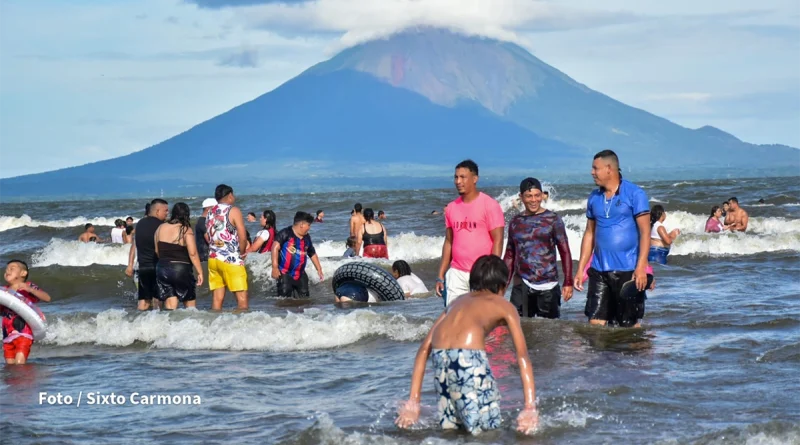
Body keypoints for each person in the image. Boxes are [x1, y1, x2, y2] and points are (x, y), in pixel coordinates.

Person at [395, 255, 538, 435]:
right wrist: (529, 407)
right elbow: (522, 356)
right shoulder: (504, 305)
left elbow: (424, 349)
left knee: (452, 431)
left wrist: (413, 402)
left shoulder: (456, 303)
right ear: (503, 286)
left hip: (440, 359)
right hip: (469, 359)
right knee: (488, 431)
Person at [574, 150, 651, 327]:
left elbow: (645, 233)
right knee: (595, 324)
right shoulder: (594, 197)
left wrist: (641, 268)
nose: (592, 172)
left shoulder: (635, 194)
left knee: (628, 326)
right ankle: (602, 356)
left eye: (595, 168)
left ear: (609, 169)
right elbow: (589, 234)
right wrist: (580, 269)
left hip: (628, 270)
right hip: (599, 270)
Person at [435, 160, 505, 306]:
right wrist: (440, 275)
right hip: (456, 273)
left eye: (463, 177)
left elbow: (498, 240)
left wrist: (492, 273)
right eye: (456, 177)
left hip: (482, 274)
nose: (458, 181)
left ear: (474, 179)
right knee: (454, 319)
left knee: (483, 318)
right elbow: (449, 241)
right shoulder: (451, 208)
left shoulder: (490, 205)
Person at [503, 177, 573, 319]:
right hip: (522, 284)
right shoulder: (515, 222)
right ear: (521, 197)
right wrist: (503, 283)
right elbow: (510, 255)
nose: (533, 200)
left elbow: (564, 251)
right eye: (529, 196)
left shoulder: (553, 219)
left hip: (548, 285)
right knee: (517, 325)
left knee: (549, 332)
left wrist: (568, 281)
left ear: (542, 196)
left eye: (537, 195)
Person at [206, 185, 249, 311]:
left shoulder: (210, 212)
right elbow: (243, 236)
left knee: (217, 299)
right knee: (242, 300)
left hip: (213, 259)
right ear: (230, 195)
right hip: (230, 259)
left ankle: (215, 326)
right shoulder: (233, 210)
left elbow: (208, 234)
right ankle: (241, 328)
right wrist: (241, 253)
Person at [154, 203, 204, 310]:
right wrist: (200, 272)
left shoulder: (160, 228)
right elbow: (193, 253)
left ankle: (171, 325)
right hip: (181, 269)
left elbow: (157, 251)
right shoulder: (186, 229)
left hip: (162, 268)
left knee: (171, 307)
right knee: (190, 307)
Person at [1, 260, 52, 365]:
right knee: (10, 365)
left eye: (12, 268)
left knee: (20, 363)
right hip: (7, 333)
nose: (7, 271)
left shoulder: (28, 286)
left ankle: (25, 379)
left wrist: (30, 290)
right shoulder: (3, 291)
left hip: (24, 332)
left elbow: (47, 298)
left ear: (23, 273)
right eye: (6, 269)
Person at [126, 198, 169, 311]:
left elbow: (134, 245)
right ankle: (157, 324)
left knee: (143, 301)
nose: (167, 213)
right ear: (157, 211)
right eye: (166, 211)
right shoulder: (162, 226)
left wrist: (130, 265)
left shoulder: (140, 224)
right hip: (157, 267)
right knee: (157, 300)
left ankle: (139, 323)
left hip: (143, 267)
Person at [271, 211, 324, 298]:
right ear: (302, 224)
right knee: (284, 298)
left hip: (300, 273)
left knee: (305, 298)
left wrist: (319, 269)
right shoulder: (285, 233)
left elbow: (312, 253)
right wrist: (274, 267)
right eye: (308, 225)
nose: (309, 228)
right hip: (285, 272)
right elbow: (275, 247)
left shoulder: (307, 237)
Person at [195, 198, 216, 262]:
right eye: (215, 208)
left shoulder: (203, 220)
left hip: (204, 256)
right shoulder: (203, 222)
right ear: (208, 208)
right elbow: (210, 241)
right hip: (205, 257)